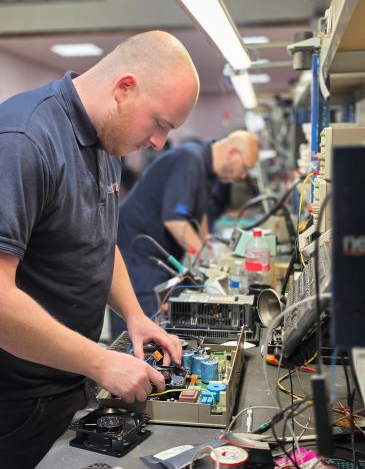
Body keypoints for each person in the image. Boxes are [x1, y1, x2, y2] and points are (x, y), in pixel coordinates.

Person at [0, 30, 199, 468]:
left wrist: (135, 316)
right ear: (124, 88)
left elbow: (99, 242)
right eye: (160, 123)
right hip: (15, 402)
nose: (159, 143)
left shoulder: (106, 139)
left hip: (71, 383)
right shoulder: (24, 139)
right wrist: (100, 361)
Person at [115, 130, 259, 331]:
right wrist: (206, 262)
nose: (242, 176)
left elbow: (199, 213)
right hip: (138, 255)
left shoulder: (207, 166)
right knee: (140, 331)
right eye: (244, 169)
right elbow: (176, 221)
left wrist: (207, 246)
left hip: (156, 257)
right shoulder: (190, 161)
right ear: (233, 152)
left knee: (157, 325)